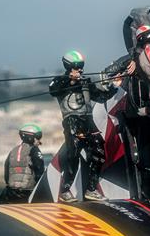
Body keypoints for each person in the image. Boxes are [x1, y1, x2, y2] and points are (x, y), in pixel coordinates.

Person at [49, 50, 118, 202]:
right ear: (68, 66)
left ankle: (91, 189)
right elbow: (53, 90)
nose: (80, 70)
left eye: (81, 67)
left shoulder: (86, 82)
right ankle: (65, 191)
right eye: (77, 67)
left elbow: (101, 97)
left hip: (88, 121)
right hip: (72, 120)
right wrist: (71, 80)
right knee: (73, 154)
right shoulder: (60, 80)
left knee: (99, 152)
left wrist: (113, 87)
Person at [0, 123, 45, 203]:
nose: (39, 140)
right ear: (30, 137)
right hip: (28, 193)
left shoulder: (13, 151)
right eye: (38, 137)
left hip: (11, 192)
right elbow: (40, 172)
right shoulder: (34, 150)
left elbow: (6, 175)